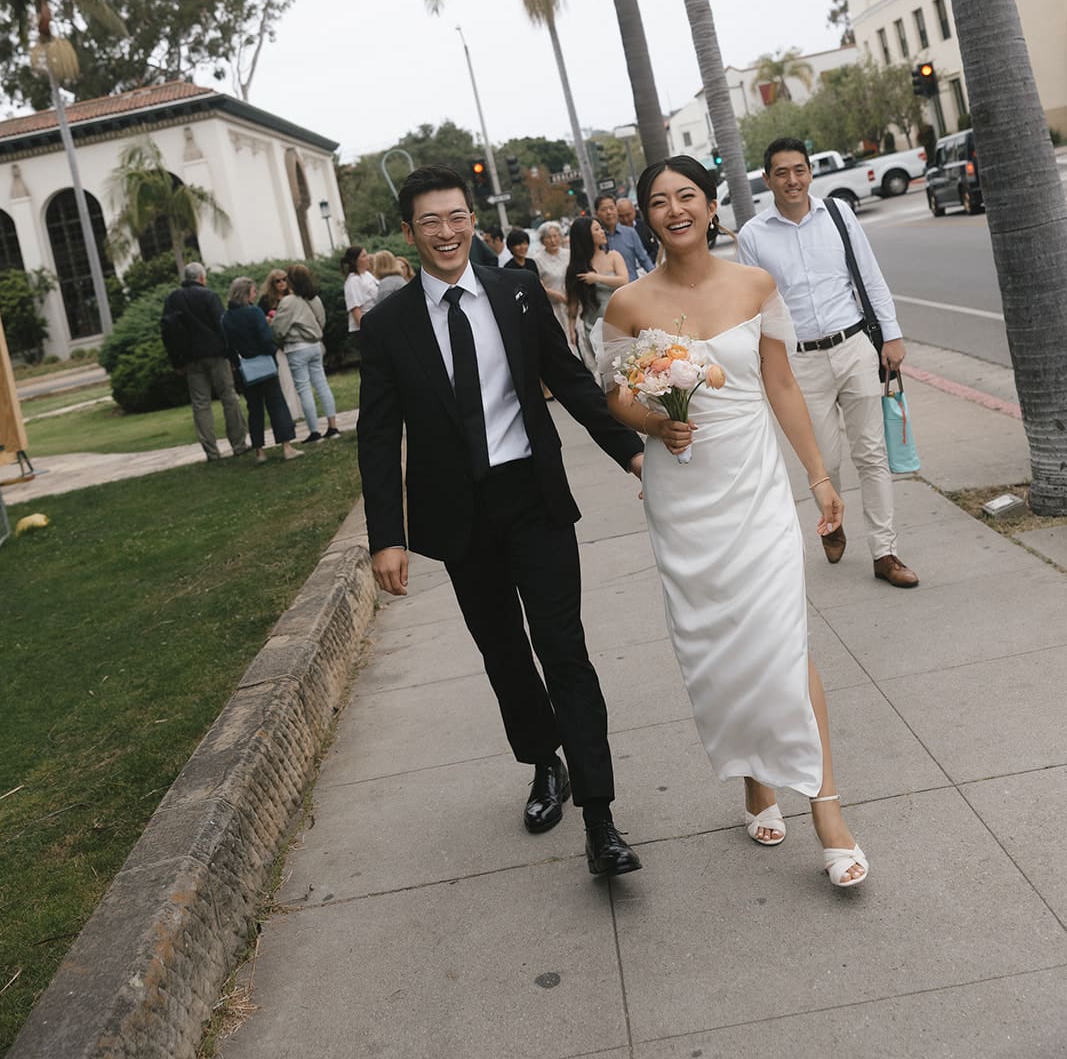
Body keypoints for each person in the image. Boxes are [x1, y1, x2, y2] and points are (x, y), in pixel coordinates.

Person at [358, 166, 646, 879]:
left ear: (473, 220)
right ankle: (544, 763)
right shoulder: (389, 323)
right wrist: (386, 535)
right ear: (408, 232)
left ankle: (601, 817)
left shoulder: (516, 293)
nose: (446, 232)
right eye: (430, 221)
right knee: (504, 654)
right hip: (459, 517)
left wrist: (632, 454)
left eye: (456, 217)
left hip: (532, 498)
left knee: (564, 649)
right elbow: (376, 431)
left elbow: (570, 381)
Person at [602, 155, 868, 888]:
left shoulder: (754, 285)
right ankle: (754, 779)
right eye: (658, 201)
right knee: (715, 648)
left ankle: (826, 808)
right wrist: (655, 427)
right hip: (682, 496)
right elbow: (616, 400)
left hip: (753, 485)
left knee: (781, 637)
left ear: (711, 206)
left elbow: (780, 384)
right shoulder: (626, 304)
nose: (674, 209)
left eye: (687, 195)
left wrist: (817, 476)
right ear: (644, 217)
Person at [737, 137, 918, 590]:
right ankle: (832, 519)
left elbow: (870, 275)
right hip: (800, 361)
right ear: (767, 178)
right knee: (826, 459)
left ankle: (885, 551)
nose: (792, 180)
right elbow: (753, 308)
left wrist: (891, 335)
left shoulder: (839, 214)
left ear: (810, 172)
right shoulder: (753, 236)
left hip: (854, 345)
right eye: (782, 172)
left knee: (871, 453)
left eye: (799, 170)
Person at [160, 262, 248, 461]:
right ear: (201, 278)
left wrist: (177, 362)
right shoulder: (209, 296)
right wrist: (232, 355)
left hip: (190, 358)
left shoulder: (173, 299)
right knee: (229, 397)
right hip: (216, 355)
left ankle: (211, 451)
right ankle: (238, 444)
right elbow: (222, 326)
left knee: (201, 404)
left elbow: (168, 331)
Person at [220, 277, 301, 463]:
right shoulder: (254, 312)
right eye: (253, 291)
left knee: (254, 409)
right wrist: (271, 351)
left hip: (244, 368)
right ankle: (287, 447)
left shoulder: (226, 318)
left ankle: (259, 451)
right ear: (246, 293)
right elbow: (266, 338)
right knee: (276, 404)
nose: (255, 294)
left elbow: (227, 347)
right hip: (264, 364)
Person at [272, 264, 340, 443]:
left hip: (297, 347)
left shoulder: (288, 301)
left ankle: (314, 431)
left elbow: (278, 329)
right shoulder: (315, 299)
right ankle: (333, 426)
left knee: (304, 388)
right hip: (316, 345)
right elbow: (322, 321)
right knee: (322, 384)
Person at [565, 214, 628, 372]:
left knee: (629, 366)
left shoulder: (613, 256)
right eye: (597, 229)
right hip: (593, 326)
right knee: (607, 370)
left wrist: (596, 278)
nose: (602, 232)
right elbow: (572, 302)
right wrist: (571, 329)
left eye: (601, 228)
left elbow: (624, 280)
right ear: (585, 235)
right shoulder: (576, 267)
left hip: (620, 320)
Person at [258, 268, 303, 423]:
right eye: (278, 280)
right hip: (278, 344)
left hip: (294, 340)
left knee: (299, 378)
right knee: (285, 379)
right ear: (272, 283)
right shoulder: (265, 301)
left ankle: (302, 410)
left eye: (284, 279)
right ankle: (291, 413)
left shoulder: (292, 296)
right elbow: (260, 320)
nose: (282, 283)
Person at [595, 192, 654, 281]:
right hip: (609, 291)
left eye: (611, 208)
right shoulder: (595, 237)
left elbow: (644, 259)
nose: (609, 212)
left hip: (632, 286)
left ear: (616, 210)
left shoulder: (630, 233)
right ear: (596, 213)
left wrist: (656, 277)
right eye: (603, 209)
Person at [531, 221, 570, 342]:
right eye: (548, 237)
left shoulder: (568, 254)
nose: (553, 240)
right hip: (553, 306)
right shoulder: (537, 259)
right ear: (542, 240)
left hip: (571, 303)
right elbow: (537, 284)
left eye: (555, 236)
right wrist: (557, 296)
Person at [341, 245, 379, 361]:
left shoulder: (367, 275)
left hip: (376, 324)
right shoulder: (353, 281)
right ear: (355, 261)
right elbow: (356, 309)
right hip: (365, 328)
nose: (368, 258)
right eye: (364, 256)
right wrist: (367, 331)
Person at [616, 195, 659, 262]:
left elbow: (655, 248)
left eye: (628, 215)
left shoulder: (644, 226)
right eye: (621, 216)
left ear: (634, 211)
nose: (626, 219)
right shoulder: (615, 233)